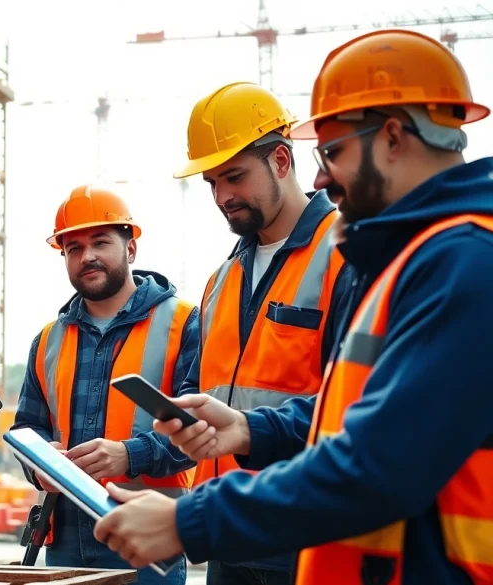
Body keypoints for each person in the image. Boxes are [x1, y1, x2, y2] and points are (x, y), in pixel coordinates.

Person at [92, 29, 493, 585]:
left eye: (332, 152)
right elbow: (353, 414)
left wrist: (190, 519)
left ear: (395, 137)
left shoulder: (465, 264)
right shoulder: (420, 258)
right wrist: (251, 430)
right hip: (290, 530)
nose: (322, 175)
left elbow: (377, 466)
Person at [166, 81, 356, 584]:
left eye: (234, 176)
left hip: (308, 537)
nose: (222, 196)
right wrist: (182, 417)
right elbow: (197, 386)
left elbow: (354, 408)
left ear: (279, 159)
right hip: (229, 533)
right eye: (211, 182)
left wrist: (251, 430)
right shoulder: (220, 280)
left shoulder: (347, 256)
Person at [11, 186, 199, 584]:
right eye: (73, 248)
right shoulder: (47, 340)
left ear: (131, 249)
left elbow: (200, 430)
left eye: (100, 242)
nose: (87, 256)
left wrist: (130, 455)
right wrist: (40, 463)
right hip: (64, 543)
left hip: (149, 538)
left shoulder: (184, 325)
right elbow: (26, 429)